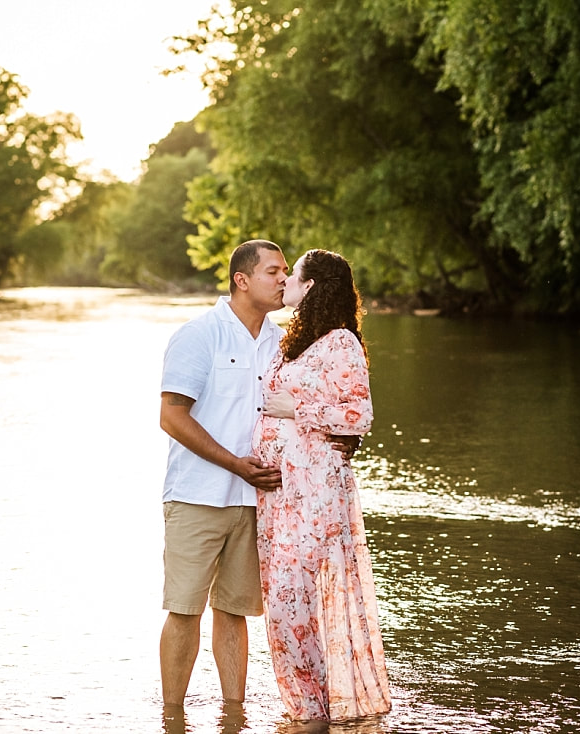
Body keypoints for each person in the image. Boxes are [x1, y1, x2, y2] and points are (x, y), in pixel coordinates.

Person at [158, 240, 359, 710]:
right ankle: (171, 717)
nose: (284, 280)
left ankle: (234, 715)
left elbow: (323, 405)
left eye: (287, 271)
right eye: (273, 271)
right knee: (184, 609)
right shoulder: (199, 334)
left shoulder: (286, 343)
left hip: (262, 504)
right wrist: (235, 464)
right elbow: (171, 416)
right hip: (198, 495)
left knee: (234, 612)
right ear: (241, 280)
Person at [254, 248, 392, 721]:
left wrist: (299, 412)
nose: (286, 281)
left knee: (296, 603)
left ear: (311, 286)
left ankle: (326, 709)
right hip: (277, 494)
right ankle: (306, 714)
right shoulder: (292, 342)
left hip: (315, 492)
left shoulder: (341, 343)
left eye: (292, 275)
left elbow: (360, 414)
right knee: (281, 601)